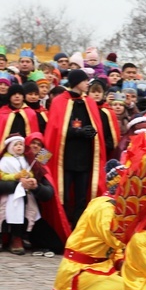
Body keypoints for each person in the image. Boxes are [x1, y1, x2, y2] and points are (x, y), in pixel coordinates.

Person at [53, 165, 126, 290]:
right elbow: (114, 238)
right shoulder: (106, 208)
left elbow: (116, 248)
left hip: (100, 266)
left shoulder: (111, 206)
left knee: (139, 288)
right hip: (82, 269)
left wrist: (121, 263)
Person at [45, 69, 108, 228]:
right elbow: (54, 131)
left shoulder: (90, 103)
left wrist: (92, 132)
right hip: (65, 161)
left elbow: (97, 129)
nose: (88, 83)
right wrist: (77, 131)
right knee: (63, 197)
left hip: (85, 160)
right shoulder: (59, 101)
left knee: (82, 198)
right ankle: (63, 228)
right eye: (85, 80)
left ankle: (78, 230)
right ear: (76, 82)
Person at [0, 135, 40, 254]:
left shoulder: (25, 159)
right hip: (7, 193)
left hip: (24, 193)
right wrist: (15, 177)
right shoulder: (5, 160)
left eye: (21, 145)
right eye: (16, 145)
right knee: (3, 211)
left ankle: (18, 237)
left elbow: (31, 172)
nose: (19, 147)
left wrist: (29, 177)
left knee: (29, 209)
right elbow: (2, 175)